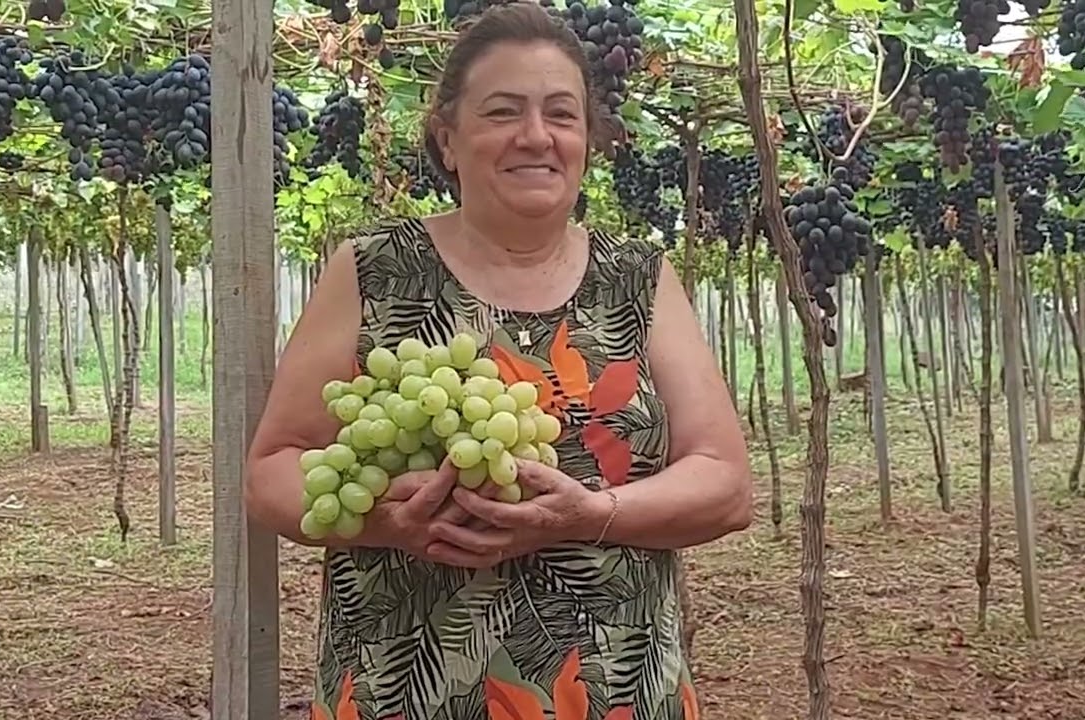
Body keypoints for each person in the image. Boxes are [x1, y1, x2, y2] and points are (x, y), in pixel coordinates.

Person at [244, 3, 753, 718]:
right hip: (406, 694)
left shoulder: (638, 276)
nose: (536, 136)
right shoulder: (374, 270)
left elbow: (726, 485)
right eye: (503, 112)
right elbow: (273, 473)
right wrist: (391, 522)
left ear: (587, 138)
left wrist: (590, 513)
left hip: (612, 694)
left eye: (562, 114)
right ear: (448, 139)